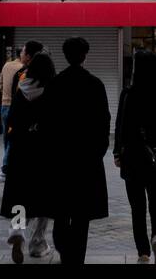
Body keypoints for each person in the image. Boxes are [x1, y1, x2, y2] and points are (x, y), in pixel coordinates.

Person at [44, 37, 111, 265]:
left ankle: (64, 252)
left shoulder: (54, 84)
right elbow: (104, 122)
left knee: (61, 211)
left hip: (60, 159)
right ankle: (77, 258)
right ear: (84, 56)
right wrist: (98, 151)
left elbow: (46, 122)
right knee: (82, 216)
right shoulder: (95, 84)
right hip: (87, 159)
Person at [115, 50, 156, 263]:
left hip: (133, 158)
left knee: (137, 209)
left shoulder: (128, 93)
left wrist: (117, 152)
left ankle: (143, 252)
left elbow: (120, 126)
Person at [1, 51, 55, 262]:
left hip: (21, 149)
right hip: (45, 150)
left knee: (19, 192)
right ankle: (38, 243)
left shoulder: (21, 88)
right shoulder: (53, 90)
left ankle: (17, 230)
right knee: (44, 195)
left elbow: (12, 119)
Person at [0, 41, 38, 181]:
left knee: (7, 137)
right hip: (16, 107)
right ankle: (6, 166)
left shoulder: (6, 66)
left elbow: (1, 85)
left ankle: (7, 163)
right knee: (14, 138)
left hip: (4, 104)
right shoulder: (23, 70)